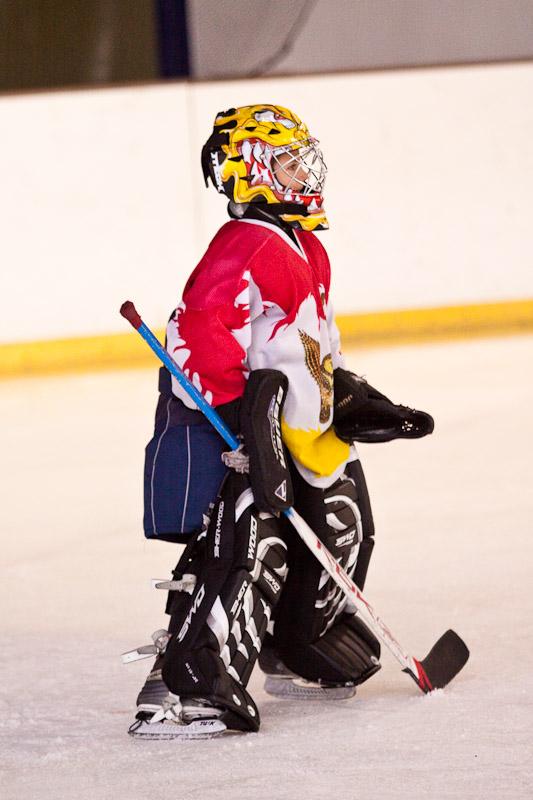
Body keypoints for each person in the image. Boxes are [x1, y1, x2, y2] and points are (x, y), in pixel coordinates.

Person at [124, 105, 433, 739]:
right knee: (248, 543)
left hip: (301, 430)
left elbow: (311, 346)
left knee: (342, 525)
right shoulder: (243, 244)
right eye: (288, 161)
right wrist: (242, 419)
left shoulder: (307, 247)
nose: (304, 171)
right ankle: (183, 685)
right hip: (242, 428)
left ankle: (299, 642)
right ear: (251, 170)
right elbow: (197, 332)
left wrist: (350, 396)